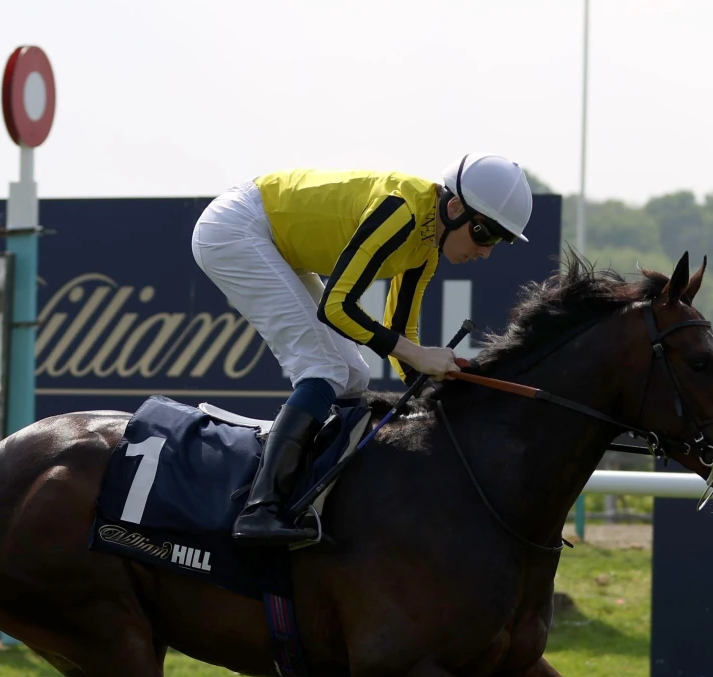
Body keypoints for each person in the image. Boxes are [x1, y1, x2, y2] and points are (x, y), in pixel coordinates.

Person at [191, 154, 533, 546]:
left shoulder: (426, 245)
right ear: (455, 208)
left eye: (498, 242)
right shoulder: (401, 212)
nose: (485, 251)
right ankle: (260, 509)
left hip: (275, 240)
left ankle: (319, 495)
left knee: (355, 374)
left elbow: (399, 332)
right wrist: (420, 357)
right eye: (484, 234)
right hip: (237, 229)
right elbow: (337, 307)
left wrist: (437, 387)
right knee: (325, 369)